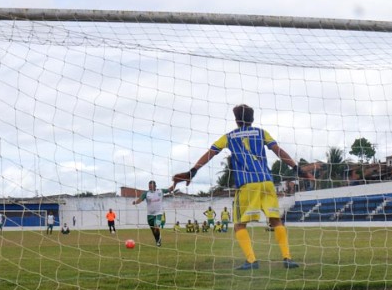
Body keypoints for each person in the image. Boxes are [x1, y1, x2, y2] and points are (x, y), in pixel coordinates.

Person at [171, 103, 311, 269]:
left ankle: (251, 261)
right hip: (267, 182)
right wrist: (298, 170)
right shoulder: (261, 133)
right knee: (276, 220)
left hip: (247, 184)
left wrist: (192, 171)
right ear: (252, 119)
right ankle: (287, 258)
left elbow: (211, 153)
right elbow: (278, 151)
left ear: (236, 120)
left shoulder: (229, 137)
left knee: (239, 224)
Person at [132, 180, 168, 246]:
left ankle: (158, 239)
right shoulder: (146, 193)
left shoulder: (160, 191)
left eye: (151, 186)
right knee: (153, 230)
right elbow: (140, 199)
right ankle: (157, 240)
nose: (150, 188)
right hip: (150, 215)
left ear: (155, 186)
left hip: (158, 214)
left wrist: (175, 183)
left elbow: (169, 189)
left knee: (156, 227)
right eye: (149, 187)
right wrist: (135, 202)